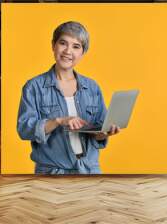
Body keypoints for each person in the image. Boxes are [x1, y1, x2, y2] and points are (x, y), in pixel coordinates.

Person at [17, 21, 120, 174]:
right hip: (52, 173)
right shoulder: (34, 87)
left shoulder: (92, 87)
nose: (68, 51)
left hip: (90, 171)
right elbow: (25, 129)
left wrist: (105, 132)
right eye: (63, 43)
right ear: (53, 45)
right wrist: (59, 121)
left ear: (82, 53)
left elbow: (98, 131)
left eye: (76, 46)